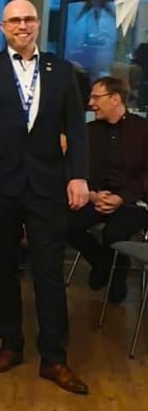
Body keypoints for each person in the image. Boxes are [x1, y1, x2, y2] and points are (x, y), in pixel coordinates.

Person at [0, 0, 90, 394]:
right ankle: (10, 344)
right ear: (2, 27)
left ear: (38, 24)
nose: (22, 25)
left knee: (48, 271)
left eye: (29, 19)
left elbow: (76, 128)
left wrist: (78, 176)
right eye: (14, 20)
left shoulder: (62, 71)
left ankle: (54, 357)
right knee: (2, 268)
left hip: (47, 185)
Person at [66, 76, 148, 303]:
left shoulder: (143, 130)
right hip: (94, 197)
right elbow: (75, 167)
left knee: (114, 233)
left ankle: (117, 280)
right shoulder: (87, 131)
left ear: (115, 99)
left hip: (132, 201)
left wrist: (121, 197)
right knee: (64, 223)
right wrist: (92, 194)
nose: (90, 103)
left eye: (96, 97)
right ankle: (102, 263)